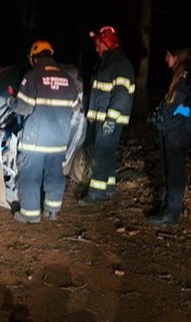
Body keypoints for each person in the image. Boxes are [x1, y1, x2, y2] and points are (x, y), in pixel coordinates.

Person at [8, 40, 80, 224]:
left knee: (30, 175)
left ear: (34, 58)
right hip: (59, 139)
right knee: (55, 174)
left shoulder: (32, 76)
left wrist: (11, 102)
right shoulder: (68, 79)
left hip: (36, 139)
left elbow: (23, 108)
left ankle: (30, 215)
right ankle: (52, 210)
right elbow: (74, 108)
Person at [147, 45, 191, 225]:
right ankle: (167, 208)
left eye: (168, 55)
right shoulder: (178, 75)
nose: (166, 59)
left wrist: (182, 110)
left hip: (178, 133)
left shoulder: (188, 74)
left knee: (175, 173)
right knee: (168, 170)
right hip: (169, 131)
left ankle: (172, 213)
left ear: (175, 56)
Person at [78, 26, 135, 206]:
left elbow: (122, 94)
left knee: (101, 154)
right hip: (103, 117)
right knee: (107, 153)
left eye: (99, 44)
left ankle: (96, 192)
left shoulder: (120, 64)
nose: (96, 48)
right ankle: (109, 188)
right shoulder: (108, 62)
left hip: (109, 118)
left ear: (107, 43)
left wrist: (111, 119)